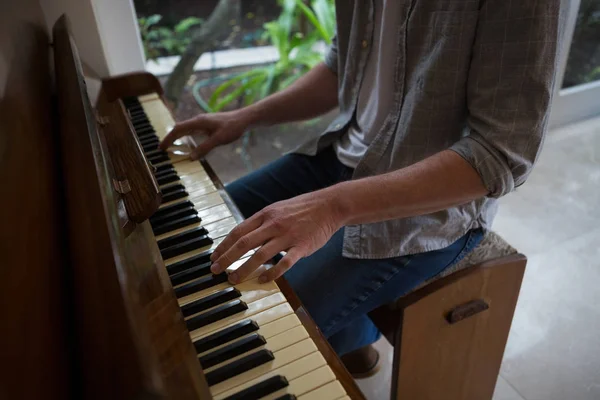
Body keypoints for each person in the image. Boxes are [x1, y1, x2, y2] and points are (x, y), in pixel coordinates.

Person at [161, 0, 563, 376]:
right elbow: (342, 67)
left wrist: (332, 207)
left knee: (253, 326)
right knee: (197, 233)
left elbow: (502, 152)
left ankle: (353, 333)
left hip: (431, 209)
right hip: (337, 153)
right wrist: (245, 117)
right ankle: (349, 334)